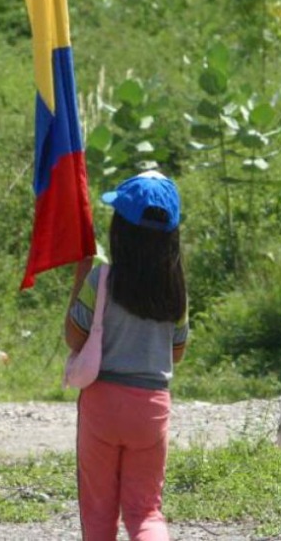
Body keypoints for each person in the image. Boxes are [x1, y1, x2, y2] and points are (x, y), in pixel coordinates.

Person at [64, 170, 189, 541]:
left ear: (120, 230)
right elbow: (177, 352)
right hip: (151, 407)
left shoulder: (101, 280)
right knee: (146, 511)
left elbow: (74, 338)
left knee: (99, 514)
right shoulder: (176, 290)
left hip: (102, 404)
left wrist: (80, 278)